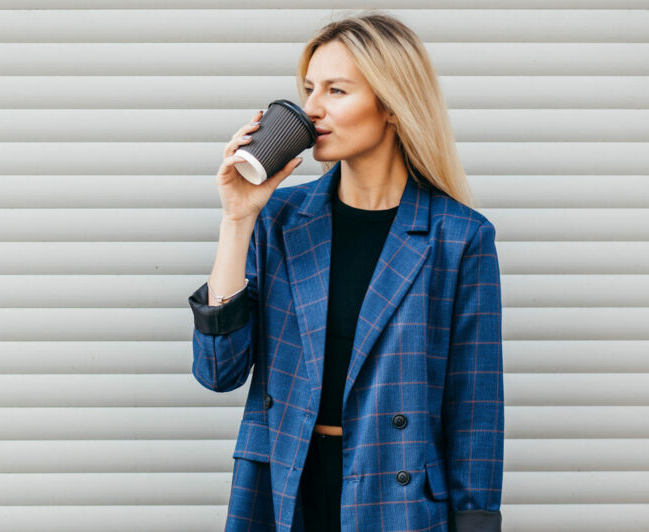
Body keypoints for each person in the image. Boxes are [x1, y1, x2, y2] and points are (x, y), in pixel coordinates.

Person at [188, 10, 503, 532]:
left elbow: (476, 408)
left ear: (393, 107)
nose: (311, 110)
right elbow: (218, 372)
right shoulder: (281, 220)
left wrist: (476, 522)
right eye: (309, 88)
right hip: (284, 486)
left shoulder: (459, 237)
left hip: (396, 496)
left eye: (336, 91)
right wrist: (237, 218)